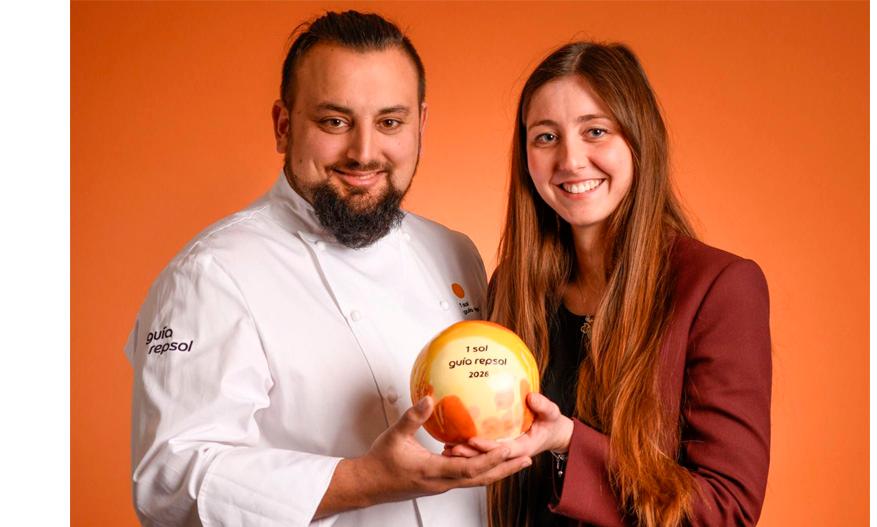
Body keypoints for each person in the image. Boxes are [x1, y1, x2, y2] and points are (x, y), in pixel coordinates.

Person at [125, 11, 530, 527]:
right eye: (334, 122)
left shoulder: (453, 251)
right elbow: (168, 480)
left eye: (390, 122)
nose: (364, 152)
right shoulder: (210, 275)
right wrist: (363, 480)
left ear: (420, 126)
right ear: (283, 125)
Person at [451, 42, 772, 526]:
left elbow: (727, 512)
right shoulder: (512, 287)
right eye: (545, 137)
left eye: (595, 131)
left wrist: (567, 441)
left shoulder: (719, 287)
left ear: (639, 140)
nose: (571, 160)